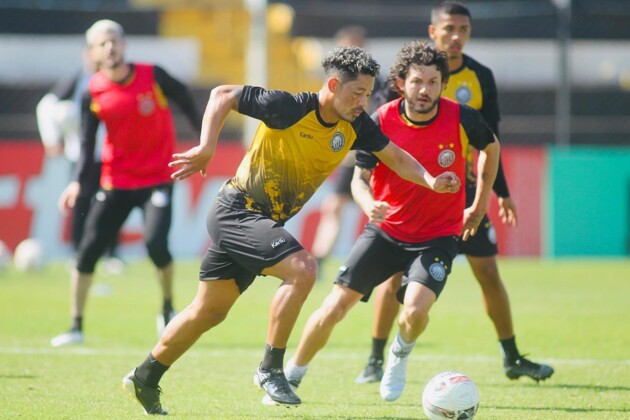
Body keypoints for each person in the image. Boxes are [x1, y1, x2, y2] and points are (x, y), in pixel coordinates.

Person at [121, 45, 460, 415]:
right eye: (357, 92)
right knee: (303, 269)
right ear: (332, 84)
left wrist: (429, 179)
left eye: (367, 93)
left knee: (209, 311)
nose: (364, 101)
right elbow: (222, 95)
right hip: (237, 210)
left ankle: (145, 377)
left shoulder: (356, 124)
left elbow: (394, 157)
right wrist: (206, 147)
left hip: (260, 222)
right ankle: (270, 369)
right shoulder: (288, 107)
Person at [282, 40, 499, 403]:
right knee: (334, 306)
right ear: (401, 83)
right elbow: (358, 180)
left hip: (437, 237)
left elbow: (491, 148)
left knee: (414, 310)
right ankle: (291, 375)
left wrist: (478, 205)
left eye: (433, 82)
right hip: (385, 232)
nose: (424, 90)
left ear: (443, 84)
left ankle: (398, 355)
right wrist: (369, 207)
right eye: (417, 81)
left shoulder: (462, 118)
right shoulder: (379, 120)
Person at [355, 1, 554, 384]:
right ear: (434, 32)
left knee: (489, 272)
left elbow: (490, 141)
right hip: (409, 194)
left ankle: (512, 356)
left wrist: (499, 193)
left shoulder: (481, 76)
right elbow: (380, 135)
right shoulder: (404, 78)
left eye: (463, 29)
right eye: (449, 29)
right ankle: (375, 360)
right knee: (394, 277)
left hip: (461, 195)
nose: (456, 36)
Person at [50, 19, 202, 347]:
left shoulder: (153, 75)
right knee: (88, 249)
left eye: (114, 40)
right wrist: (77, 182)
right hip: (115, 182)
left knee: (155, 244)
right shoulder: (93, 89)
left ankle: (167, 307)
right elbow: (87, 142)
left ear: (124, 44)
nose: (110, 47)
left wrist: (203, 141)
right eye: (102, 43)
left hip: (158, 179)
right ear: (92, 52)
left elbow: (186, 98)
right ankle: (75, 325)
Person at [36, 49, 124, 275]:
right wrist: (52, 138)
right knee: (81, 204)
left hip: (111, 155)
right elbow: (46, 106)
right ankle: (77, 252)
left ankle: (112, 255)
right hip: (80, 156)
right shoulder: (78, 79)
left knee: (113, 204)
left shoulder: (117, 78)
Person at [310, 25, 369, 275]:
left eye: (355, 45)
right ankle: (320, 260)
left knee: (370, 207)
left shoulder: (371, 81)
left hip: (370, 153)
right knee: (334, 207)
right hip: (351, 155)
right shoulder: (334, 82)